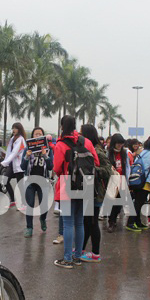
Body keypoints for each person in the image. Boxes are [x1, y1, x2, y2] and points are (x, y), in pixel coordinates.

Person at [52, 115, 99, 269]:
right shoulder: (87, 142)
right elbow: (96, 162)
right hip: (85, 185)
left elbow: (57, 168)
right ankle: (78, 256)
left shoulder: (60, 145)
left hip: (67, 185)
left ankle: (67, 259)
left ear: (61, 126)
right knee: (79, 223)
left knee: (67, 223)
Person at [80, 124, 113, 263]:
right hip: (89, 191)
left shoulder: (97, 151)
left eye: (81, 133)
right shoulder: (86, 149)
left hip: (96, 192)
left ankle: (95, 253)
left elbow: (108, 170)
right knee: (87, 222)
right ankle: (82, 249)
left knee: (92, 223)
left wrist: (93, 169)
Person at [20, 127, 54, 238]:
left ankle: (43, 219)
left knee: (44, 205)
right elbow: (22, 167)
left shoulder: (48, 150)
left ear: (43, 137)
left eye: (40, 134)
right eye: (35, 134)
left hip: (43, 181)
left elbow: (50, 167)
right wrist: (27, 156)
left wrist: (45, 155)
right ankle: (29, 227)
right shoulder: (27, 150)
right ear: (32, 137)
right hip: (30, 181)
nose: (37, 136)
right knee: (29, 204)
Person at [107, 134, 131, 233]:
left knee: (119, 202)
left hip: (122, 180)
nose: (120, 145)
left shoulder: (125, 153)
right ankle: (111, 221)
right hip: (112, 181)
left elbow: (128, 167)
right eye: (118, 143)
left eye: (121, 143)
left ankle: (113, 219)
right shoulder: (109, 153)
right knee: (112, 201)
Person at [1, 122, 27, 208]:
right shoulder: (13, 138)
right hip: (12, 164)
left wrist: (5, 162)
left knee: (20, 185)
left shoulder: (21, 140)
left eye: (15, 128)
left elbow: (14, 152)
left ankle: (24, 203)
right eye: (13, 128)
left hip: (19, 165)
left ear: (19, 129)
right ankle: (12, 200)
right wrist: (6, 161)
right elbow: (9, 152)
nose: (13, 130)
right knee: (5, 181)